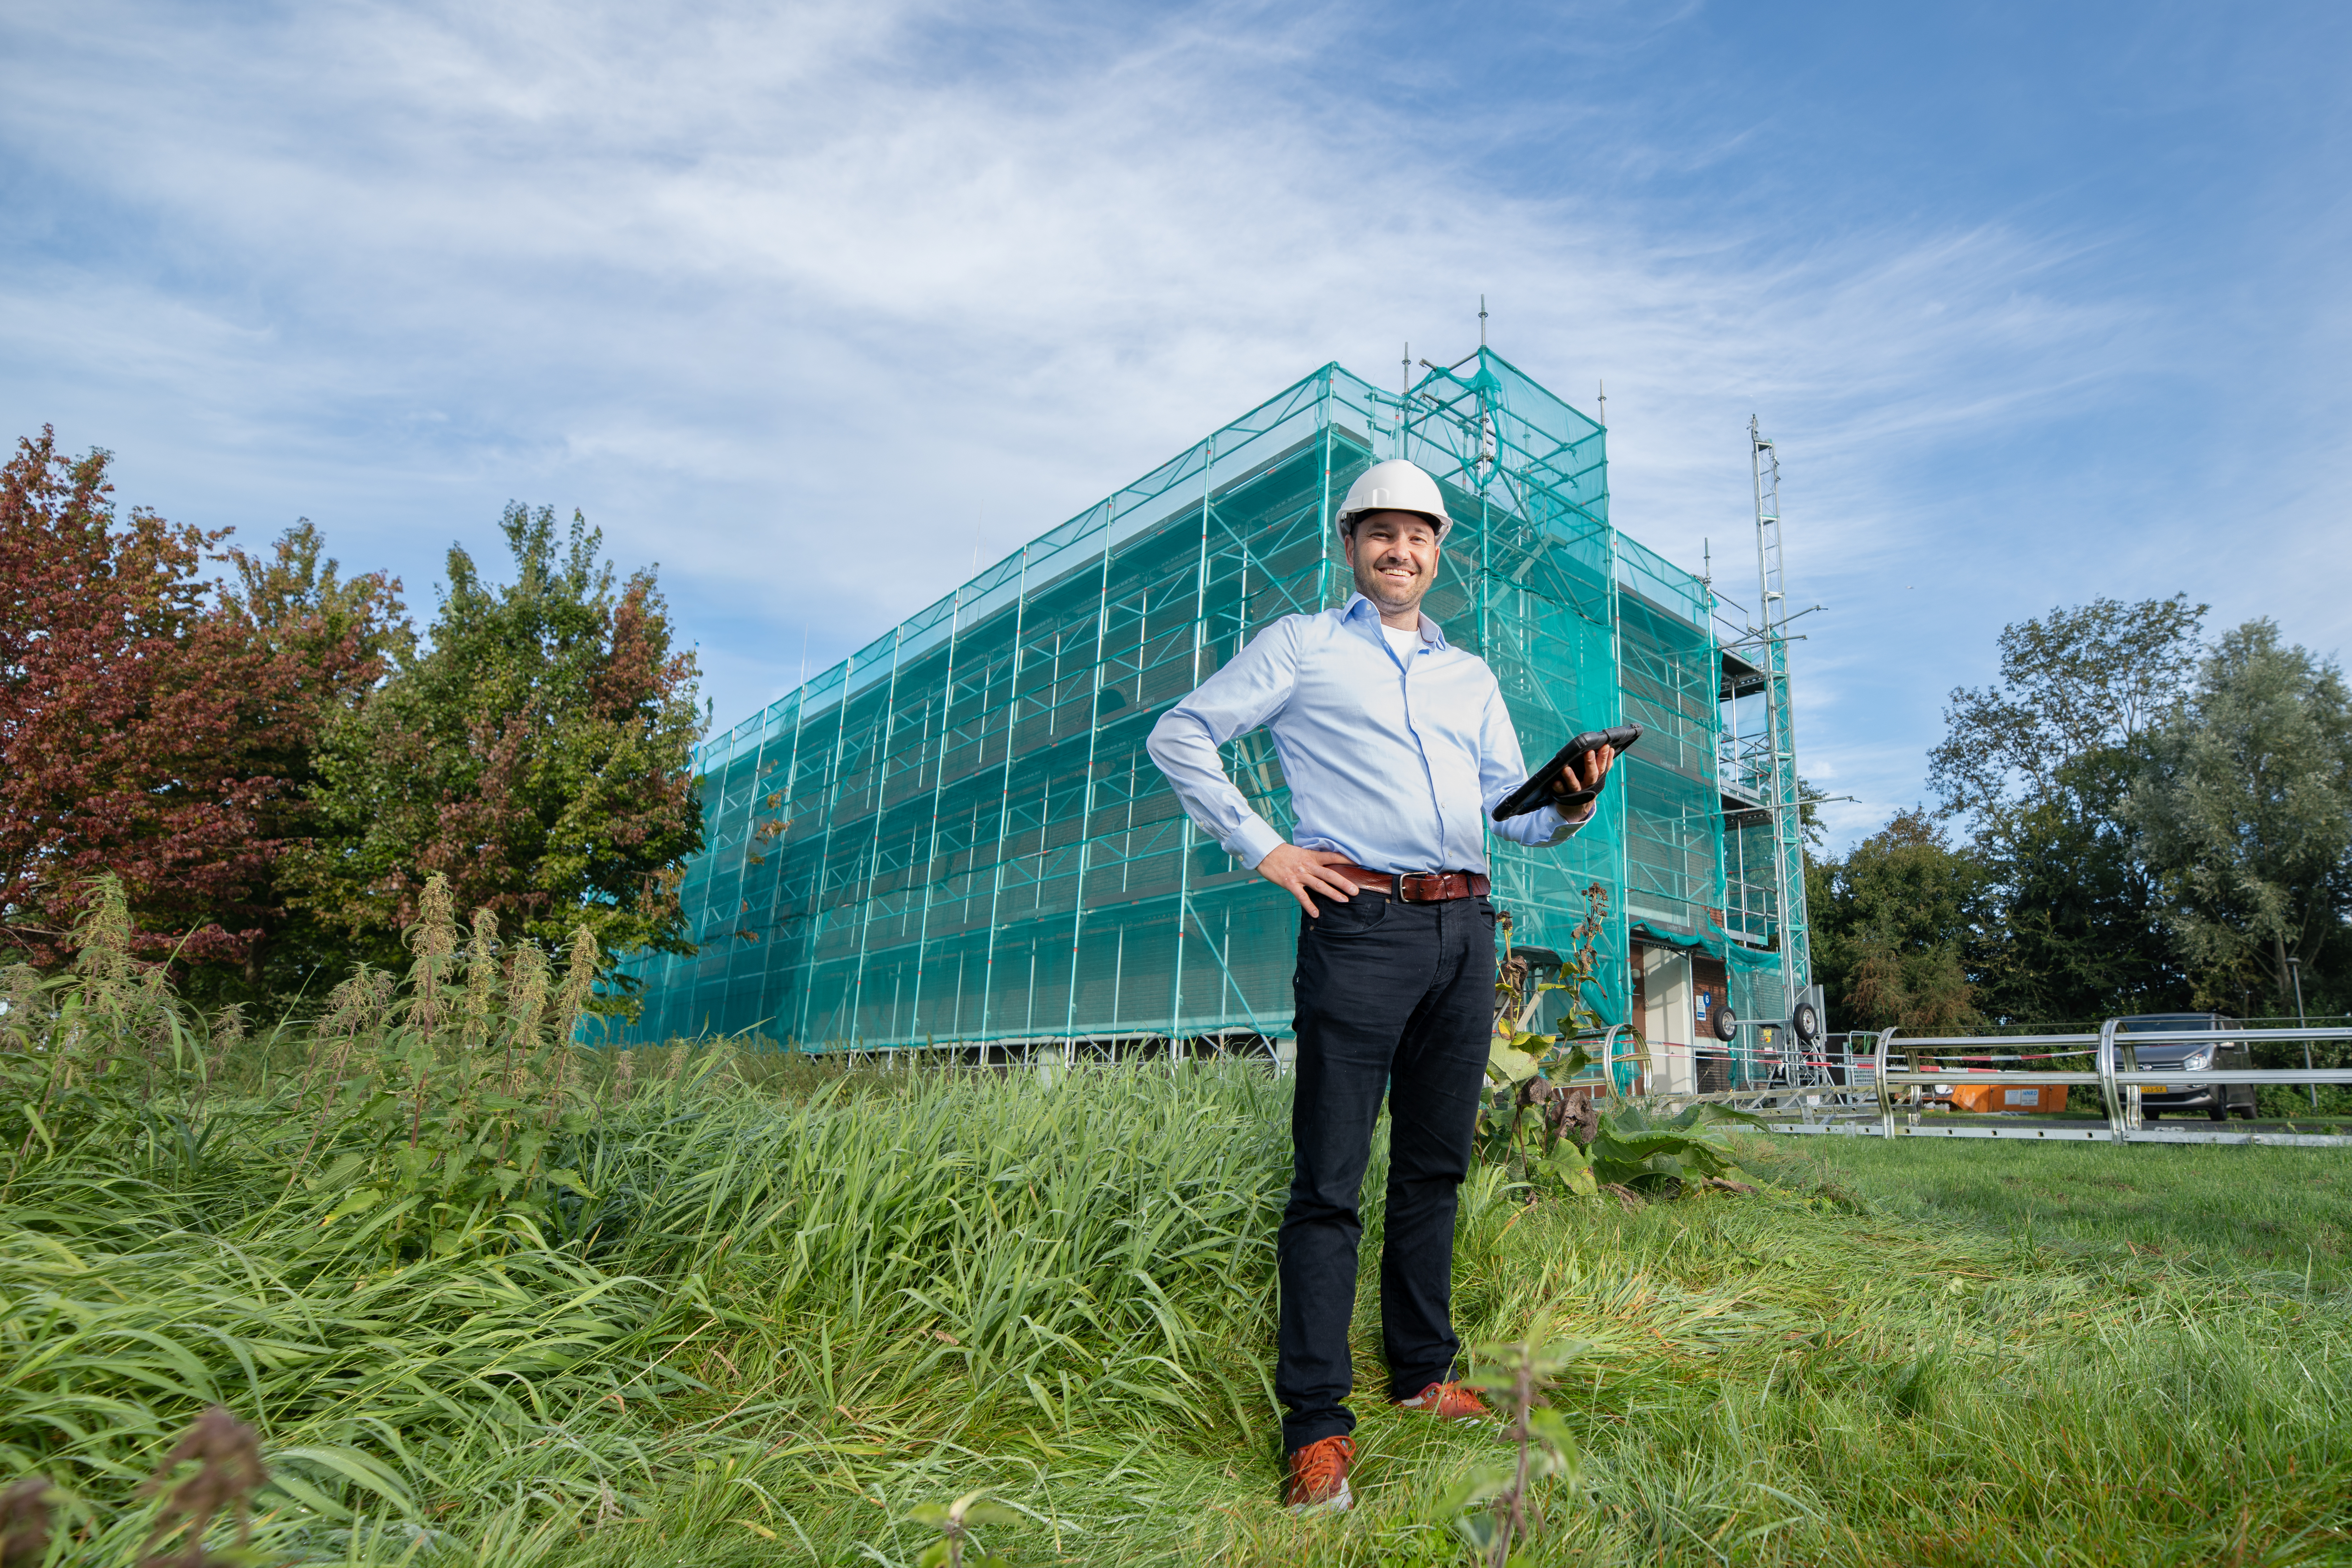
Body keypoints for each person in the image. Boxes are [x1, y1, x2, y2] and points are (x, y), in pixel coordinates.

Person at [1145, 457, 1617, 1513]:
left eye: (1419, 537)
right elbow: (1181, 735)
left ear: (1439, 553)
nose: (1400, 552)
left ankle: (1422, 1374)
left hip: (1466, 929)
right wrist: (1266, 847)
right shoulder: (1303, 647)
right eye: (1380, 535)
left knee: (1435, 1170)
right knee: (1330, 1184)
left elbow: (1513, 812)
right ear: (1351, 546)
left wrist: (1573, 801)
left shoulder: (1471, 677)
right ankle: (1316, 1426)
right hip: (1357, 925)